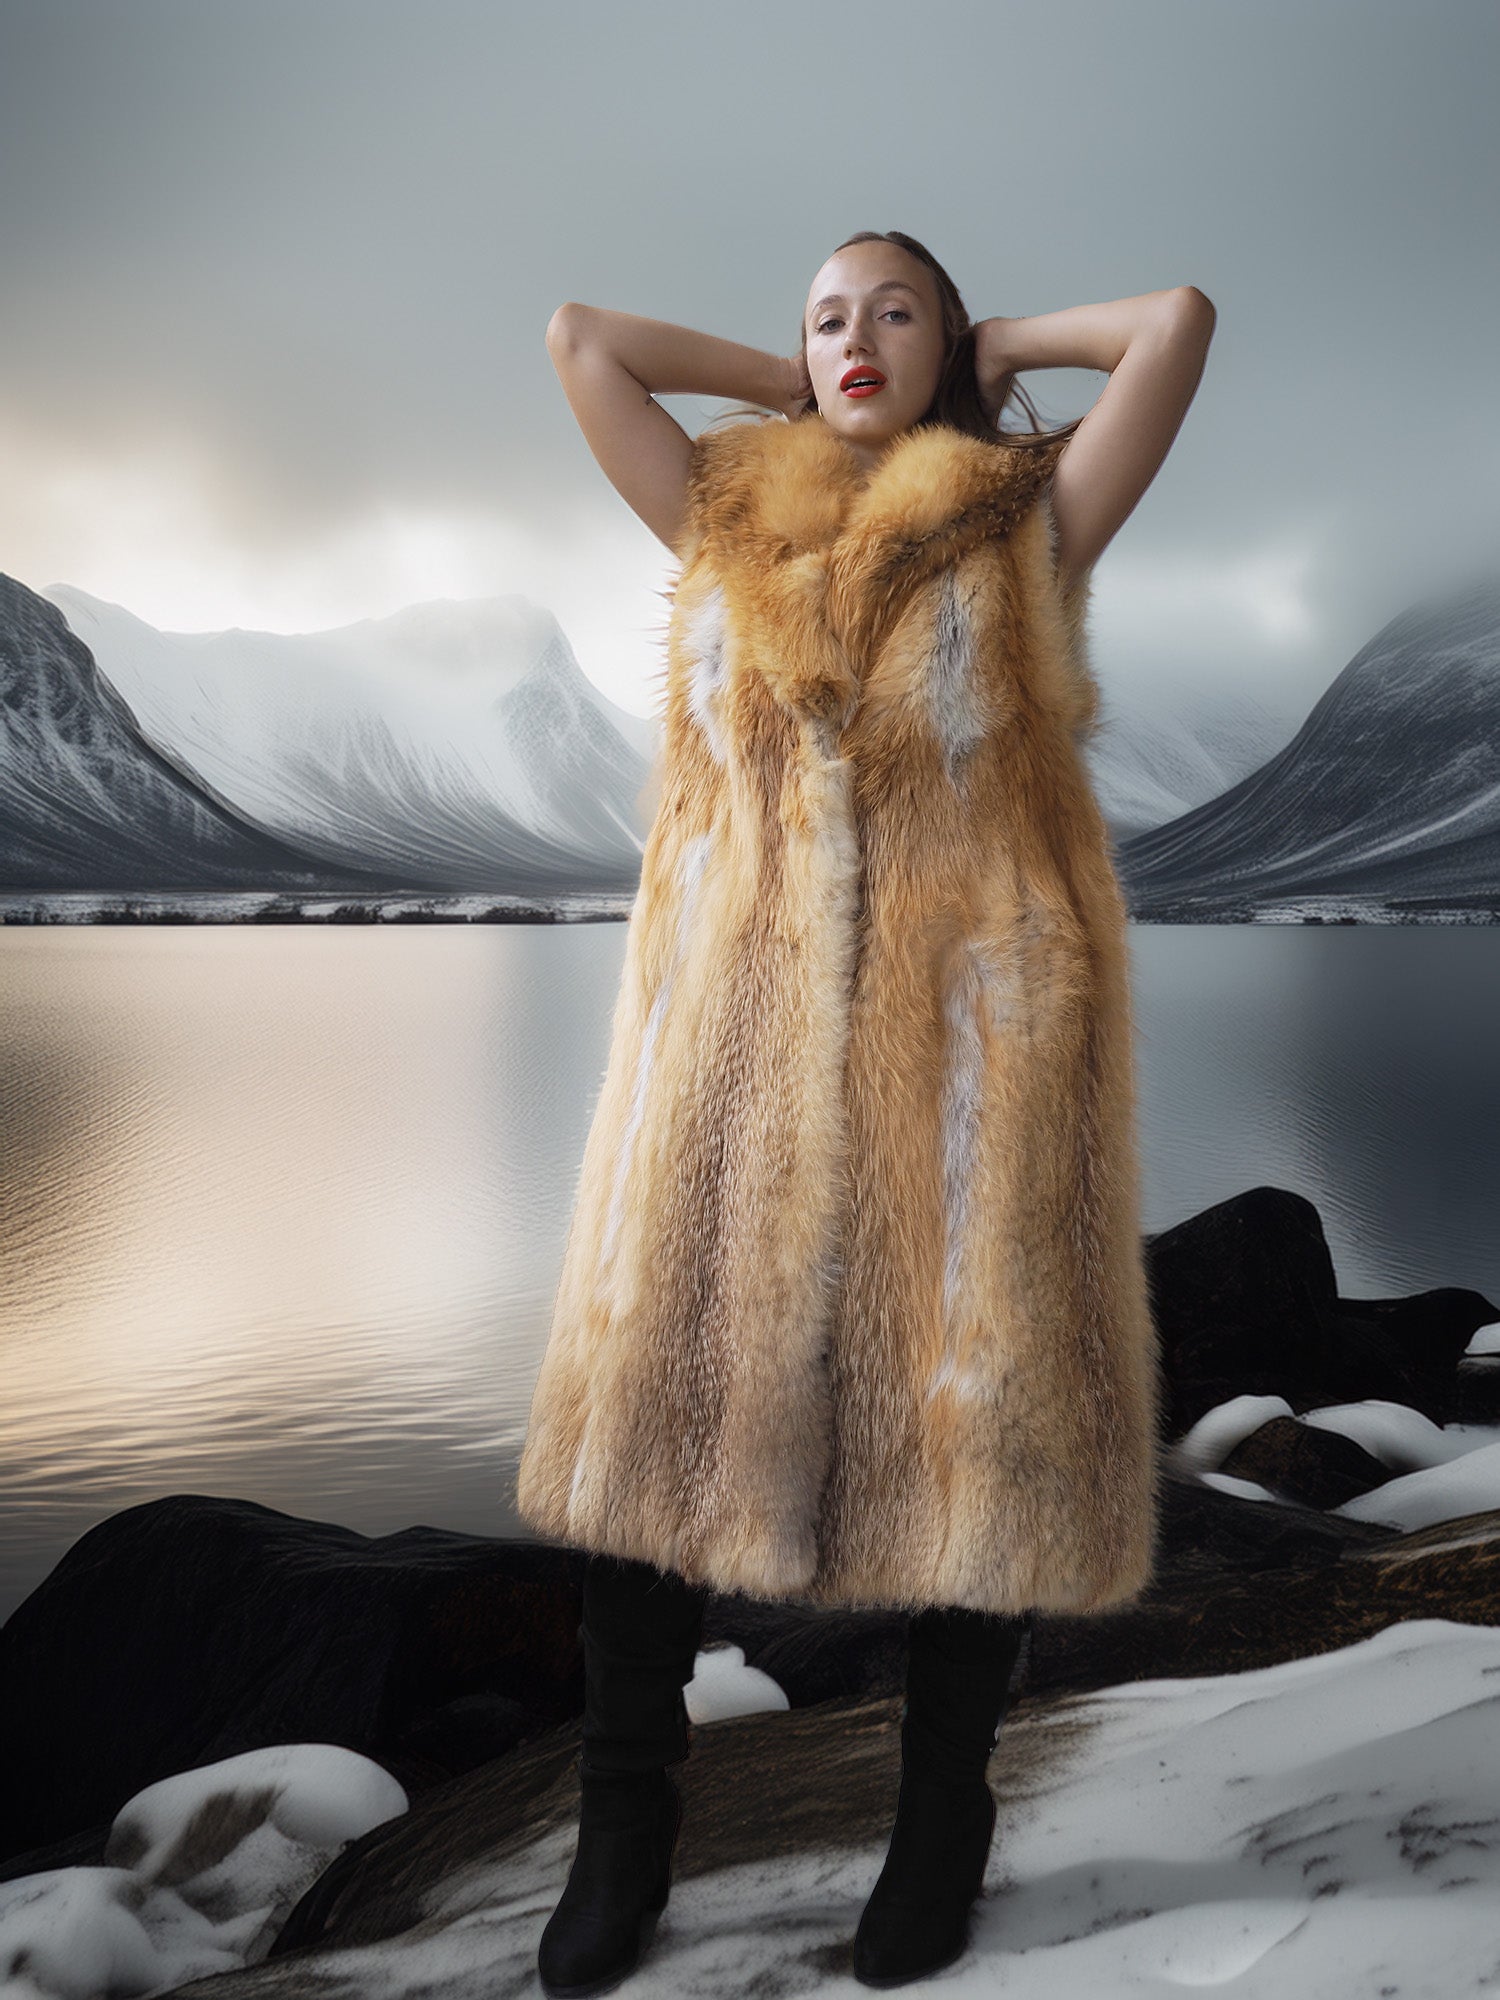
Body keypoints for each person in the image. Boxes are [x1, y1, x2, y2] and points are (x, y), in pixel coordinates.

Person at [525, 231, 1216, 1996]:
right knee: (654, 1421)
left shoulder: (1024, 518)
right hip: (725, 1057)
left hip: (968, 1045)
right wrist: (784, 384)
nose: (856, 339)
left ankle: (941, 1820)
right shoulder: (721, 508)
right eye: (829, 314)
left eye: (894, 311)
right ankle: (628, 1814)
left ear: (950, 336)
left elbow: (1175, 326)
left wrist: (988, 349)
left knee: (965, 1423)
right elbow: (584, 339)